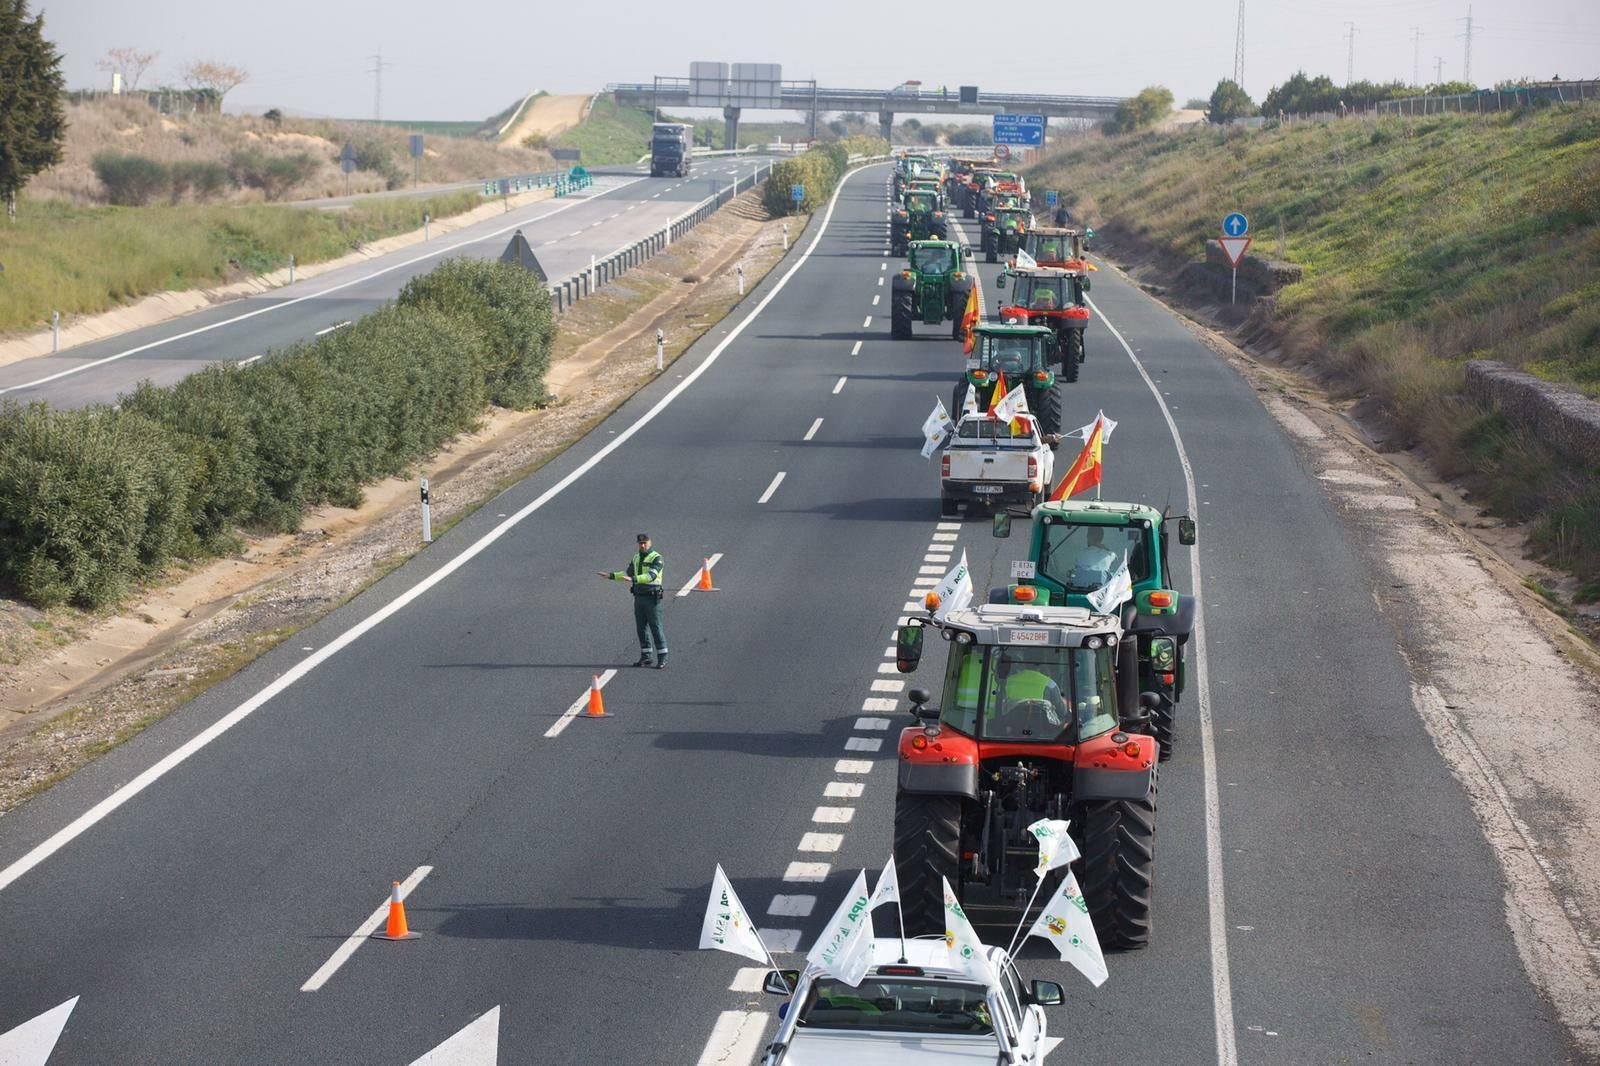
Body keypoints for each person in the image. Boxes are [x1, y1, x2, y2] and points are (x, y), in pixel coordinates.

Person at [598, 533, 668, 668]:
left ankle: (662, 657)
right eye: (640, 543)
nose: (642, 545)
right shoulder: (636, 557)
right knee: (641, 628)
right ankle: (646, 656)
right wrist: (611, 576)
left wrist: (634, 579)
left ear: (650, 543)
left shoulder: (657, 558)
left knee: (656, 627)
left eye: (645, 543)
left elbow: (651, 576)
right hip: (639, 597)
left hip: (652, 598)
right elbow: (628, 574)